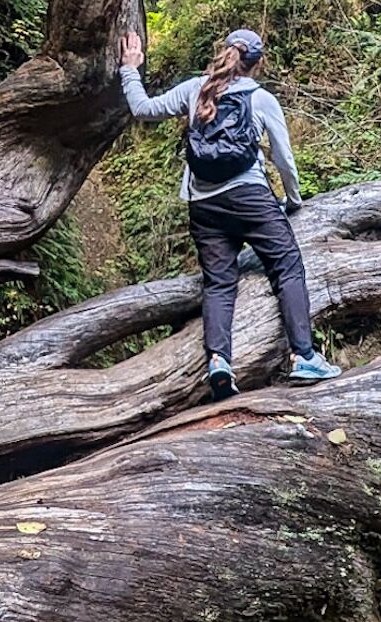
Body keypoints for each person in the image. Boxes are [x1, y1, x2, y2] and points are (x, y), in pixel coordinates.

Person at [119, 25, 341, 400]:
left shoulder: (195, 89)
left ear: (224, 53)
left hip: (203, 204)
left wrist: (130, 67)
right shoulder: (260, 98)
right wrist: (293, 199)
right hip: (250, 197)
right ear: (257, 64)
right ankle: (304, 356)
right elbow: (284, 159)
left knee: (219, 283)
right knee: (287, 267)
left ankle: (219, 362)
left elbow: (142, 108)